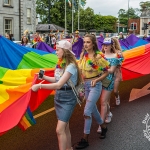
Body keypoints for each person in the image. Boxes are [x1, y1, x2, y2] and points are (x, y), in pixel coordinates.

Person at [32, 40, 82, 150]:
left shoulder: (71, 66)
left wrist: (39, 86)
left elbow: (58, 85)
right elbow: (57, 79)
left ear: (64, 51)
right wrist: (43, 77)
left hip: (68, 98)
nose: (55, 52)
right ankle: (69, 148)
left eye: (57, 49)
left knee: (59, 130)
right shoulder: (60, 63)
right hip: (59, 97)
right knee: (65, 127)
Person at [75, 34, 110, 149]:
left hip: (95, 85)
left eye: (88, 42)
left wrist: (97, 79)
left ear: (93, 43)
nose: (85, 44)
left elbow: (107, 71)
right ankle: (103, 127)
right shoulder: (82, 56)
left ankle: (85, 138)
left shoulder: (98, 57)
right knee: (93, 109)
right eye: (84, 42)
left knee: (87, 111)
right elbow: (79, 71)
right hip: (85, 86)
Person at [97, 38, 123, 133]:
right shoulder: (99, 56)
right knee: (104, 102)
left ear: (111, 45)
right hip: (99, 81)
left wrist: (98, 68)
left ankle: (101, 124)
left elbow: (111, 71)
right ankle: (108, 114)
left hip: (109, 81)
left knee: (103, 102)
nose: (105, 46)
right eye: (104, 44)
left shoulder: (116, 56)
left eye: (107, 45)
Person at [112, 37, 124, 106]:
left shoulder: (119, 53)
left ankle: (117, 97)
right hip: (108, 74)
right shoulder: (106, 52)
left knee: (115, 91)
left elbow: (120, 63)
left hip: (116, 73)